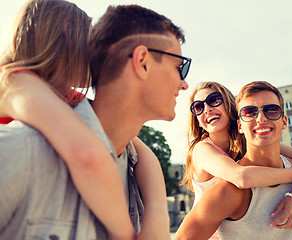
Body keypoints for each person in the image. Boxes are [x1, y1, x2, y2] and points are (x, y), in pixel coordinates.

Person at [0, 2, 189, 240]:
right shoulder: (15, 86)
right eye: (179, 67)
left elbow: (135, 147)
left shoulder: (64, 101)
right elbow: (87, 154)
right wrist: (124, 234)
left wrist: (158, 208)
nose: (93, 54)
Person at [175, 81, 292, 240]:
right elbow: (241, 177)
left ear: (229, 104)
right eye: (198, 107)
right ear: (197, 119)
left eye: (213, 100)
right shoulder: (202, 149)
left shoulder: (249, 139)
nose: (207, 109)